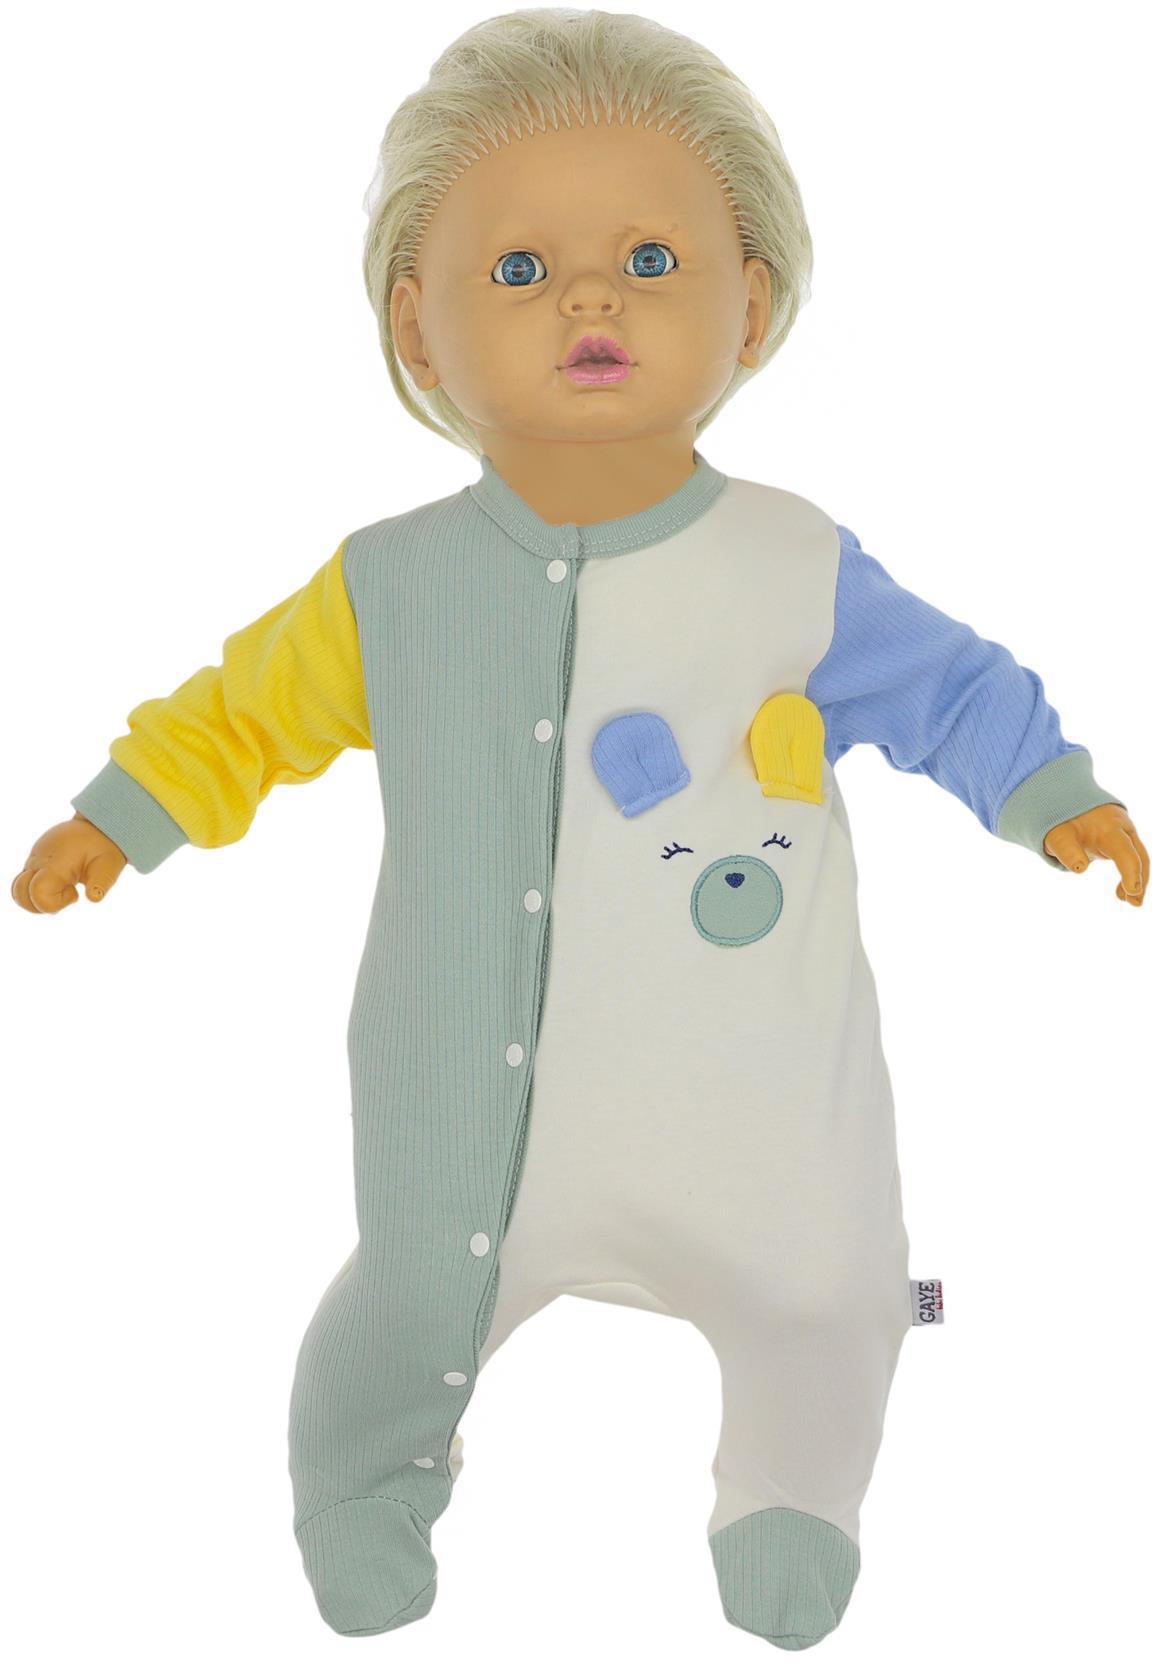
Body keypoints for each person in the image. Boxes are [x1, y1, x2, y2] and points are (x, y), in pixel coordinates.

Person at [9, 9, 1149, 1650]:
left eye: (651, 260)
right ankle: (366, 1482)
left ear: (751, 301)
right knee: (407, 1303)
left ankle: (792, 1488)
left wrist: (1055, 796)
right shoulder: (391, 586)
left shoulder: (795, 564)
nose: (592, 300)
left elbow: (953, 692)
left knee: (845, 1297)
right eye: (522, 269)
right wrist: (121, 819)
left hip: (763, 1110)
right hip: (469, 1116)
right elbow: (237, 713)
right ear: (418, 325)